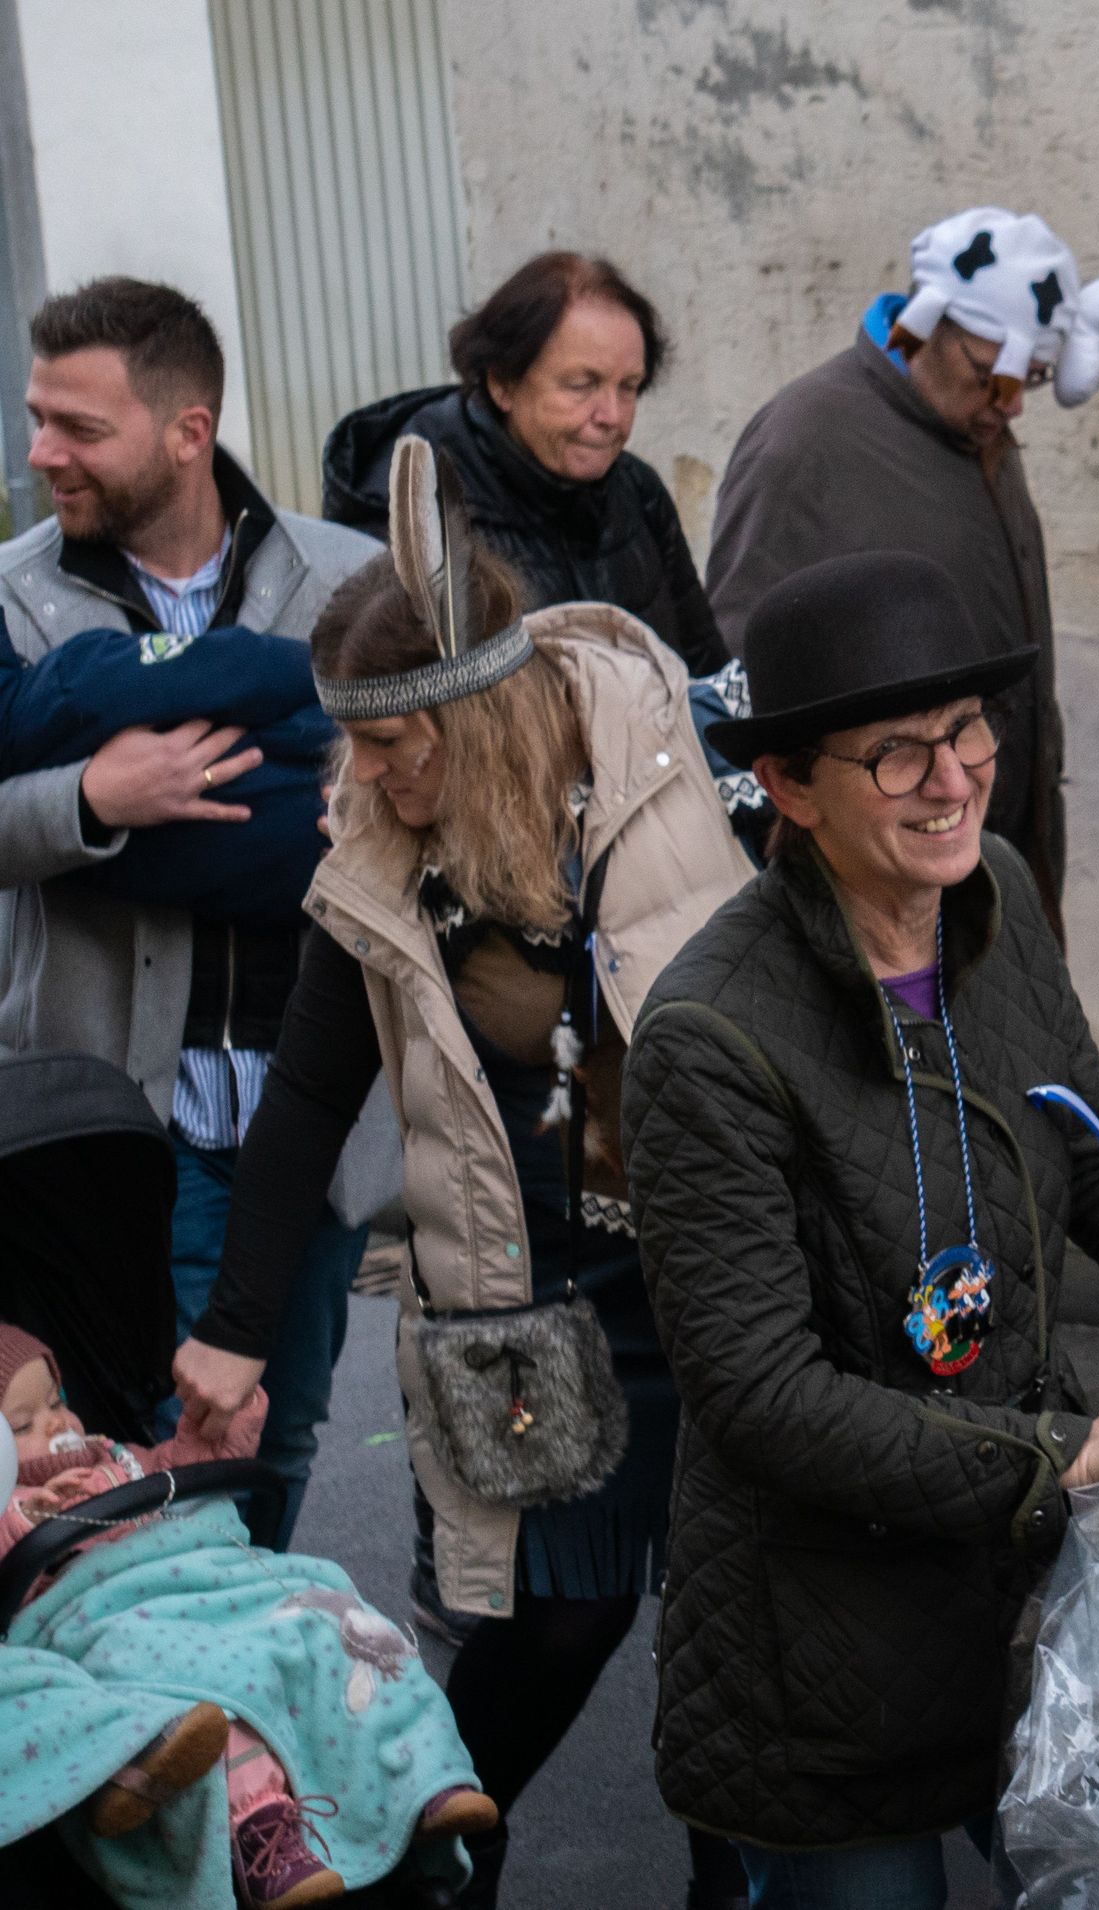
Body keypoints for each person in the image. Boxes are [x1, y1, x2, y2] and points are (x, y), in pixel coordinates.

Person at [619, 549, 1099, 1906]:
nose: (956, 776)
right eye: (900, 752)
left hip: (1021, 1597)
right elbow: (760, 1392)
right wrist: (1065, 1447)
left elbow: (1098, 1157)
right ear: (793, 788)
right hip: (821, 1649)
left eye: (971, 730)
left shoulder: (995, 904)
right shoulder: (706, 1035)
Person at [165, 439, 753, 1906]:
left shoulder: (666, 783)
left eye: (390, 743)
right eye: (353, 745)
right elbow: (307, 1095)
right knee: (555, 1622)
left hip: (715, 1285)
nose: (359, 778)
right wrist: (234, 1330)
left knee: (739, 1628)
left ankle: (739, 1886)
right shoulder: (379, 851)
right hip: (522, 1298)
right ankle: (432, 1865)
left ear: (478, 717)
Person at [0, 277, 384, 1544]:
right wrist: (90, 798)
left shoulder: (348, 579)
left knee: (278, 1442)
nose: (43, 450)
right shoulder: (14, 598)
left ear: (185, 430)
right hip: (114, 1123)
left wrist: (362, 816)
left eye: (78, 426)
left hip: (304, 1117)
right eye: (38, 417)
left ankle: (235, 1714)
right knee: (112, 1471)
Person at [706, 206, 1099, 939]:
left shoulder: (978, 429)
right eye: (991, 376)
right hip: (874, 891)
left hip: (1000, 867)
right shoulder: (805, 442)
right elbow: (736, 675)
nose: (1009, 406)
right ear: (926, 326)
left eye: (1032, 381)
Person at [2, 1327, 494, 1908]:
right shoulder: (11, 1505)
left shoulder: (122, 1458)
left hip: (212, 1585)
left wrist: (220, 1420)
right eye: (23, 1424)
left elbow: (193, 1464)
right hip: (109, 1614)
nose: (58, 1425)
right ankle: (266, 1840)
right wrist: (22, 1518)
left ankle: (422, 1777)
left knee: (330, 1620)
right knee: (213, 1689)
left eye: (58, 1403)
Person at [321, 250, 730, 680]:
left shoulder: (637, 491)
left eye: (628, 388)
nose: (612, 415)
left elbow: (708, 677)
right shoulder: (412, 515)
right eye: (581, 385)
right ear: (503, 384)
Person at [0, 622, 331, 926]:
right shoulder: (17, 586)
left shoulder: (345, 569)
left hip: (311, 966)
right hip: (103, 969)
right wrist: (86, 800)